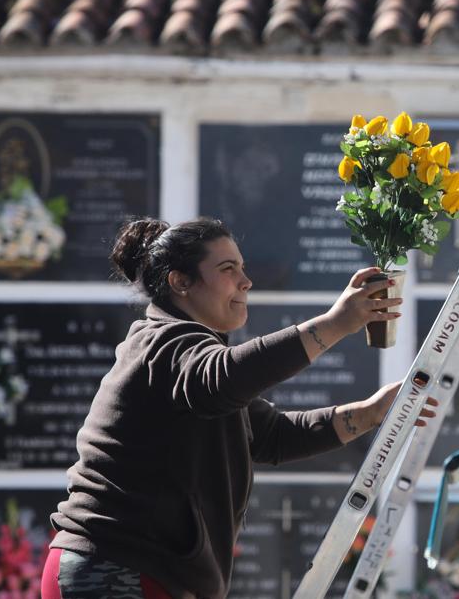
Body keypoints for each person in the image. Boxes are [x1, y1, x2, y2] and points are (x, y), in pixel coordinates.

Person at [41, 217, 436, 599]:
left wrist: (372, 412)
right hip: (113, 569)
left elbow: (272, 436)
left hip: (135, 570)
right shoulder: (165, 344)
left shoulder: (190, 354)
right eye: (228, 269)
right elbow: (224, 379)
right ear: (180, 282)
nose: (246, 281)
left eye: (243, 268)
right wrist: (336, 323)